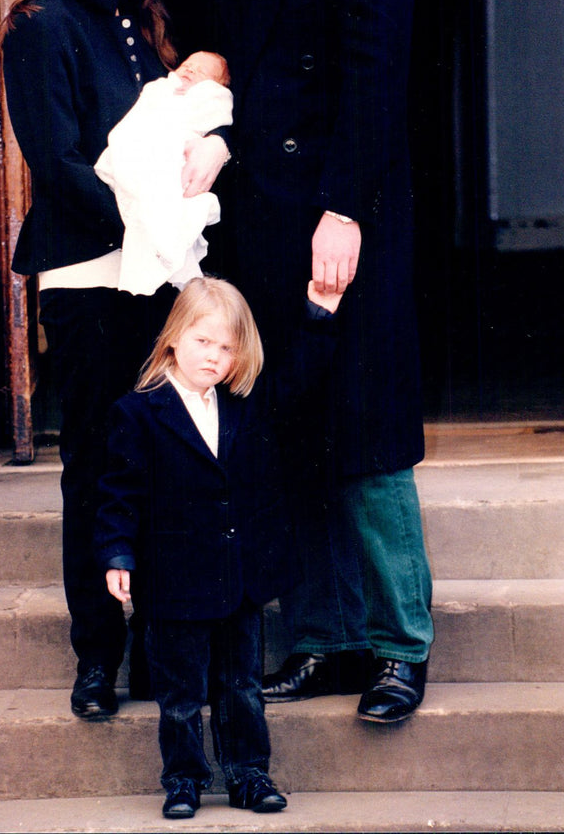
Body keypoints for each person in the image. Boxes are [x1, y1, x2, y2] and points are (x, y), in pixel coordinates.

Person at [176, 0, 434, 724]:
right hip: (256, 228)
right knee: (288, 433)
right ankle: (323, 640)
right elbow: (228, 68)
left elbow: (373, 82)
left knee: (365, 434)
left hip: (344, 215)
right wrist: (208, 118)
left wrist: (342, 210)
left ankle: (399, 647)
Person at [0, 0, 230, 721]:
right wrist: (150, 229)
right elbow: (56, 163)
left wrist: (216, 147)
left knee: (167, 457)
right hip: (93, 275)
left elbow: (186, 132)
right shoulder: (39, 22)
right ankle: (98, 655)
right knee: (95, 462)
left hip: (161, 273)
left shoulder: (148, 23)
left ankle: (168, 651)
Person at [95, 276, 341, 820]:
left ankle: (248, 774)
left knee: (241, 685)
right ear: (173, 339)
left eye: (226, 347)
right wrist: (117, 554)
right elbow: (119, 493)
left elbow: (298, 382)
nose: (214, 356)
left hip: (239, 578)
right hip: (173, 580)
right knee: (181, 695)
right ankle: (183, 779)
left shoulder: (242, 406)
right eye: (203, 341)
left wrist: (319, 314)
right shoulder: (138, 412)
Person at [94, 50, 233, 295]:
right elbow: (140, 116)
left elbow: (216, 109)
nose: (190, 70)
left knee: (164, 200)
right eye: (188, 65)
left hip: (179, 153)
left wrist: (198, 95)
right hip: (142, 148)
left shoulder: (211, 95)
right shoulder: (159, 88)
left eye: (201, 72)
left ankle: (161, 247)